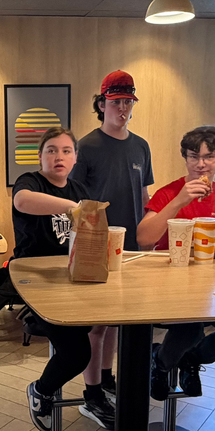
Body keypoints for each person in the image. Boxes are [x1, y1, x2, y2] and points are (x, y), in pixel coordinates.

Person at [136, 126, 215, 400]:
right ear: (185, 159)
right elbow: (143, 238)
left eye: (209, 157)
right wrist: (179, 201)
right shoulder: (169, 193)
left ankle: (190, 360)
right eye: (193, 156)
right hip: (168, 283)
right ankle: (162, 365)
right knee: (190, 328)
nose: (201, 164)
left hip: (208, 286)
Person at [15, 127, 116, 431]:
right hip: (34, 280)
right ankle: (41, 391)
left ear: (75, 158)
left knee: (104, 321)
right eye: (51, 150)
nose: (59, 156)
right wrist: (72, 208)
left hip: (70, 278)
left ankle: (95, 394)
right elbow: (23, 202)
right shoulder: (30, 182)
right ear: (40, 156)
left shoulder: (79, 190)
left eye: (66, 151)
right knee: (76, 353)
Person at [70, 70, 154, 400]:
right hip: (96, 244)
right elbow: (77, 200)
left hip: (131, 245)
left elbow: (145, 195)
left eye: (127, 102)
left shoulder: (141, 147)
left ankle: (107, 377)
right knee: (96, 325)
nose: (122, 109)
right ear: (102, 104)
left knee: (117, 321)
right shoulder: (87, 147)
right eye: (116, 102)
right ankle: (92, 390)